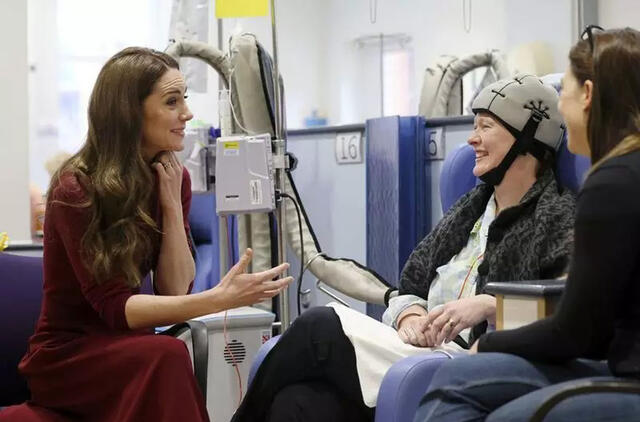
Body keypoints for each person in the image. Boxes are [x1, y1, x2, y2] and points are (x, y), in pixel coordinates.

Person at [231, 75, 576, 422]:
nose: (473, 139)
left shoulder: (558, 219)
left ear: (528, 138)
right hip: (415, 349)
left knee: (320, 326)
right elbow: (408, 288)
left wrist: (490, 306)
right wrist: (410, 315)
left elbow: (566, 314)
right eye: (474, 127)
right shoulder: (469, 210)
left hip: (471, 361)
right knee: (296, 404)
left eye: (486, 127)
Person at [0, 47, 292, 422]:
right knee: (166, 354)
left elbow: (174, 289)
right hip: (68, 359)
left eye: (184, 98)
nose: (187, 113)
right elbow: (116, 309)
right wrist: (217, 299)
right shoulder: (76, 188)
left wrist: (170, 203)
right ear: (129, 112)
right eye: (172, 101)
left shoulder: (172, 178)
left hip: (132, 350)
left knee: (163, 354)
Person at [414, 27, 640, 422]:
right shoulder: (623, 177)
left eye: (565, 92)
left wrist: (489, 344)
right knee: (460, 376)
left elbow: (575, 332)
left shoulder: (611, 185)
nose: (561, 109)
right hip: (614, 359)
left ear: (587, 94)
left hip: (627, 375)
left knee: (462, 386)